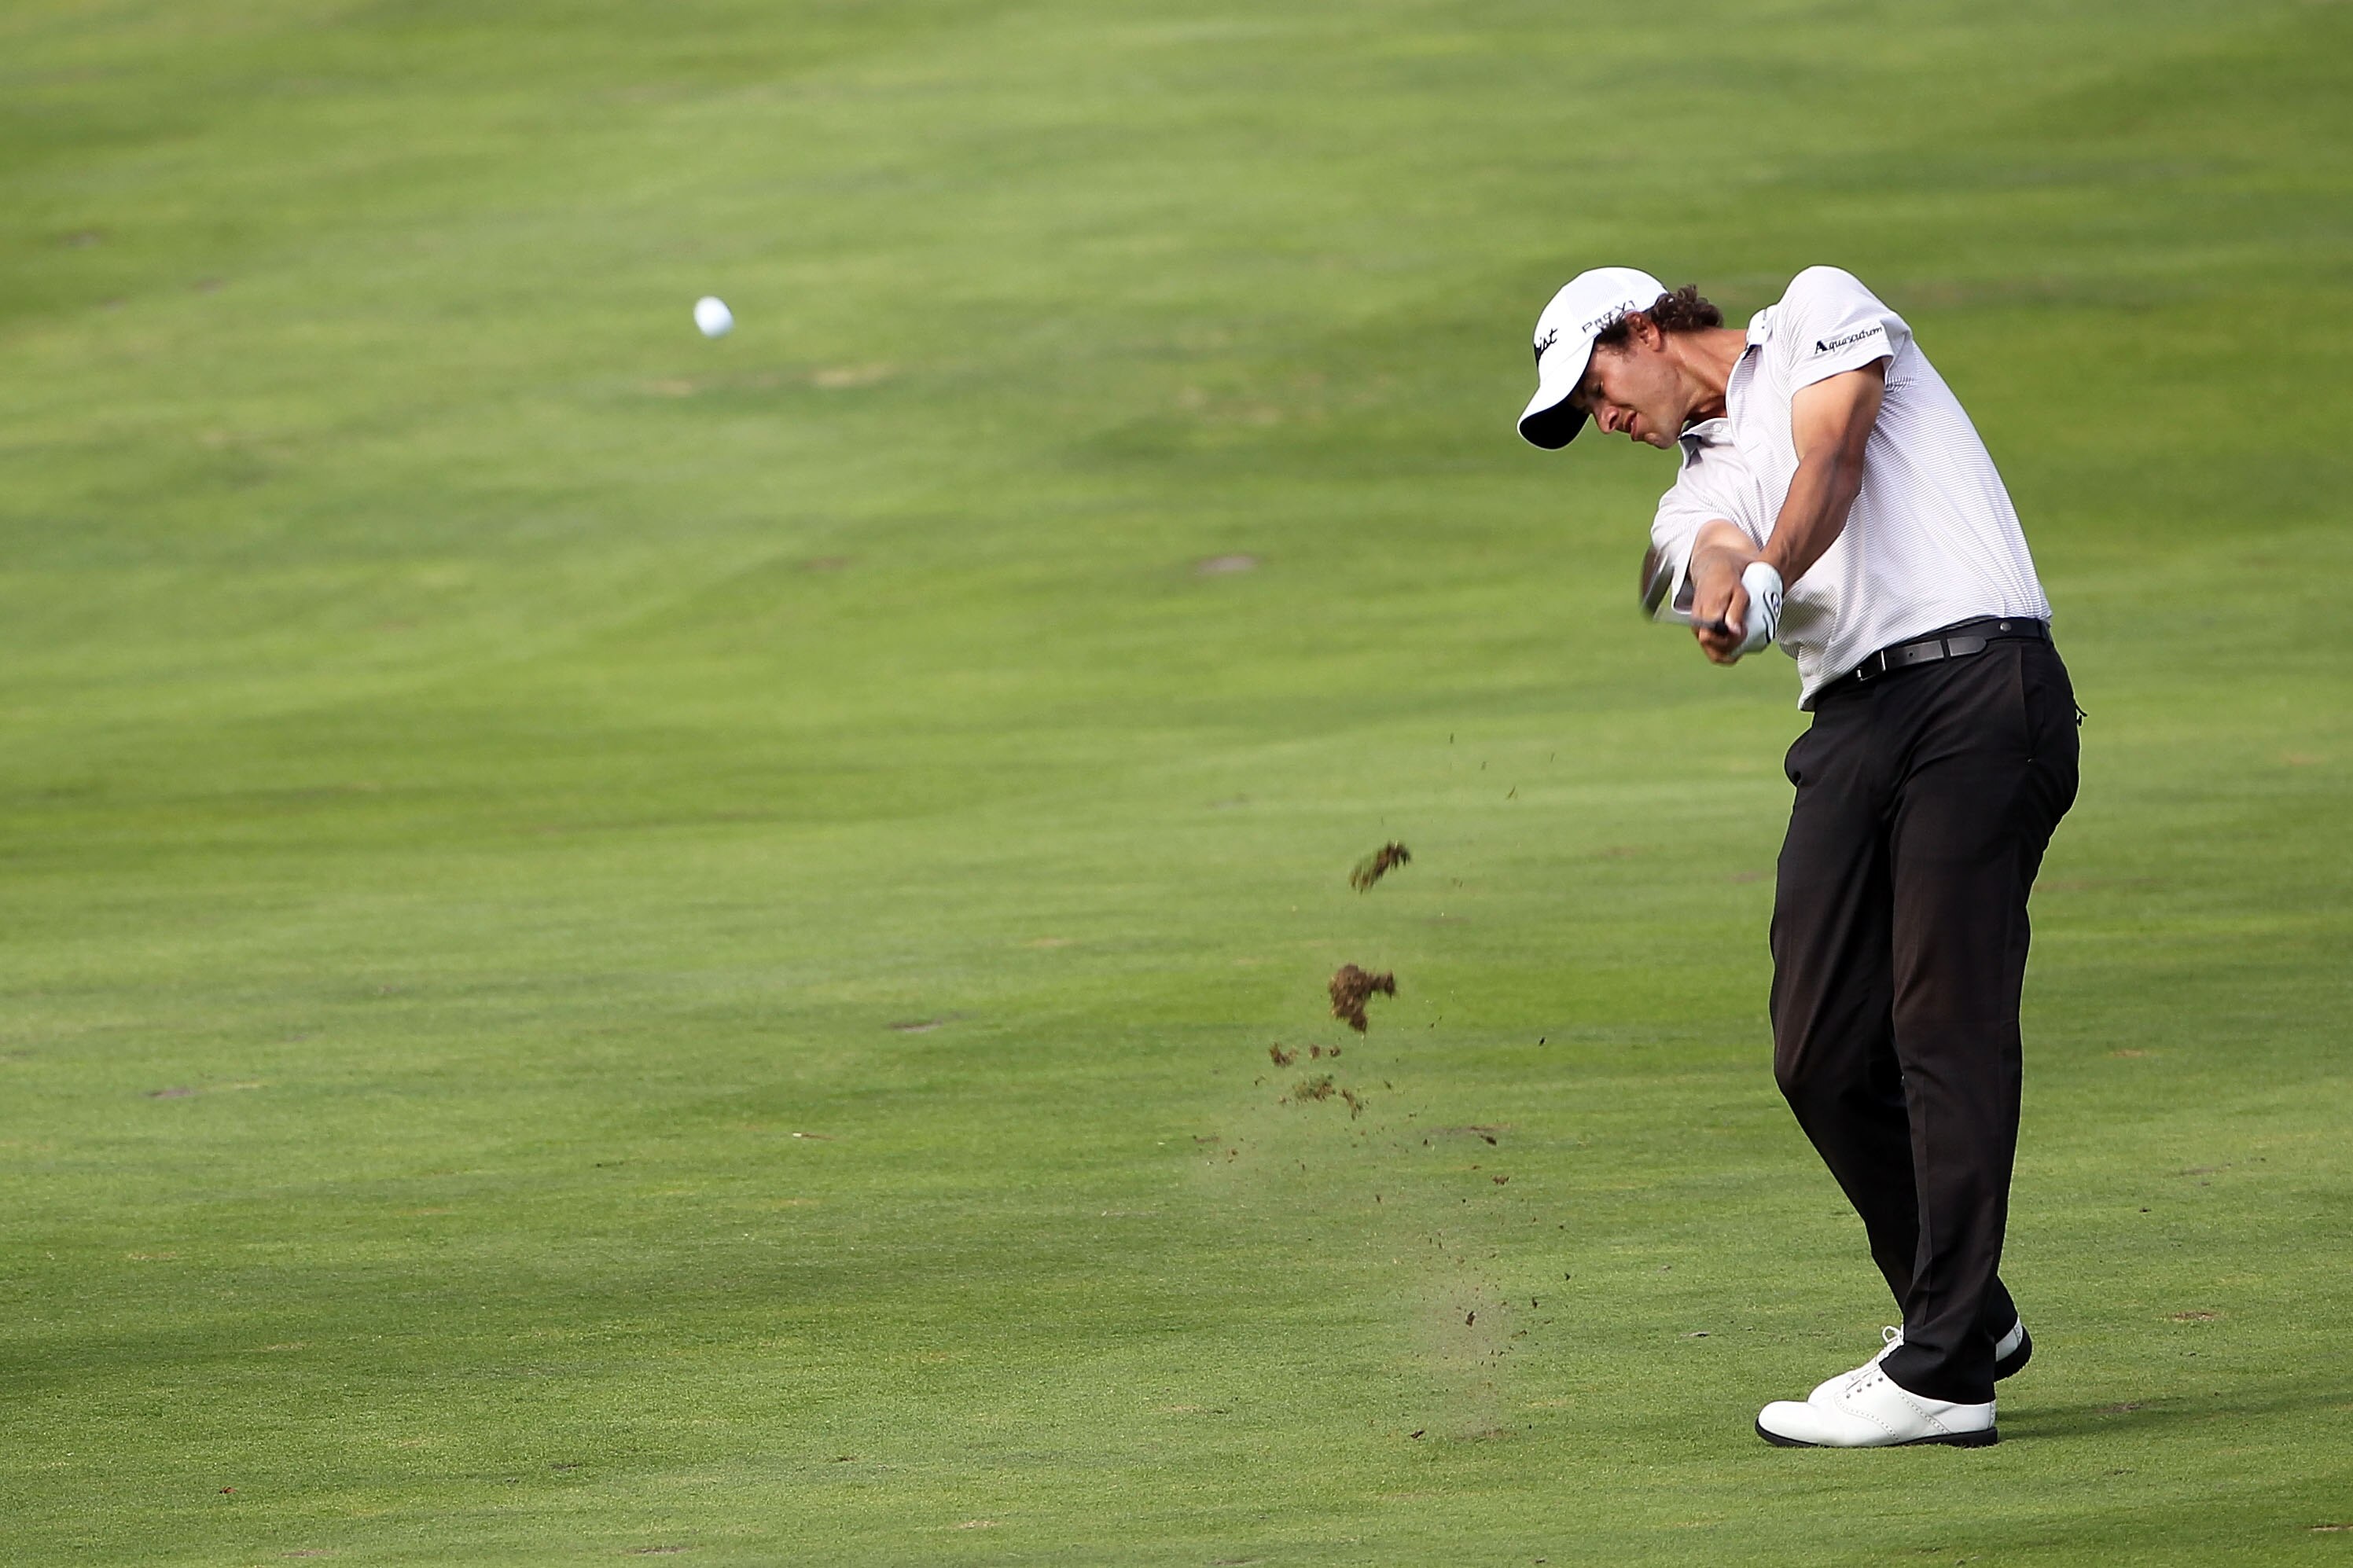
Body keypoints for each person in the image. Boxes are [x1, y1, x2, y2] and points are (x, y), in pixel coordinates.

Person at [1516, 266, 2080, 1448]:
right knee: (1817, 1050)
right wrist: (1732, 592)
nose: (1600, 421)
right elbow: (1708, 552)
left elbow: (1835, 454)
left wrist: (1773, 568)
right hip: (1852, 726)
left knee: (1941, 1022)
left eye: (1595, 390)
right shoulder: (1687, 493)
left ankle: (1943, 1372)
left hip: (1979, 687)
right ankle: (1971, 1317)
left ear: (1643, 328)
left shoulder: (1818, 311)